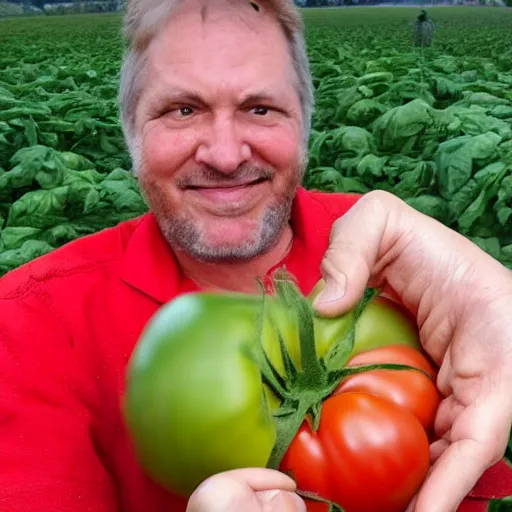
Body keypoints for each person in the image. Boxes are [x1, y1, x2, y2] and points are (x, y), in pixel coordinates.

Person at [0, 1, 510, 512]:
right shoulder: (26, 325)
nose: (225, 155)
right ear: (130, 130)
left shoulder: (414, 268)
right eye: (183, 110)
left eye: (259, 109)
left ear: (305, 124)